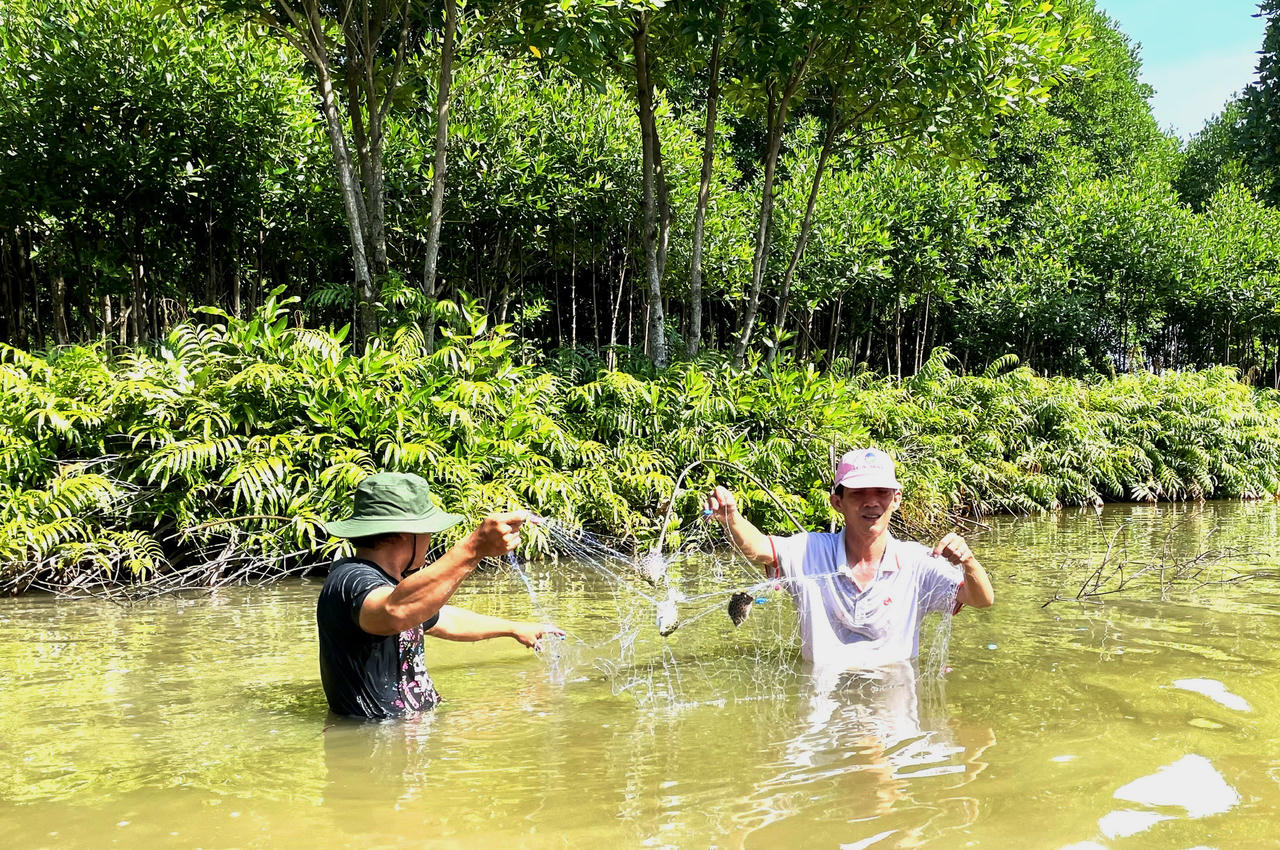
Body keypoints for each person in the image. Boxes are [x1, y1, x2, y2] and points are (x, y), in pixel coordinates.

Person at [706, 448, 993, 670]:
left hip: (893, 700)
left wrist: (968, 561)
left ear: (896, 499)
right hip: (824, 703)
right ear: (837, 502)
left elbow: (981, 599)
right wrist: (731, 518)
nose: (871, 502)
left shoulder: (919, 562)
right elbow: (756, 547)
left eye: (881, 492)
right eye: (858, 493)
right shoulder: (810, 551)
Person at [317, 471, 563, 719]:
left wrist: (514, 628)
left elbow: (445, 619)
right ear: (405, 532)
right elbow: (393, 613)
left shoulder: (392, 585)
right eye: (427, 531)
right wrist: (474, 548)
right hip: (375, 746)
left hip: (413, 737)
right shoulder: (349, 579)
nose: (430, 538)